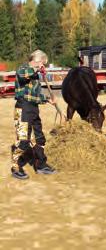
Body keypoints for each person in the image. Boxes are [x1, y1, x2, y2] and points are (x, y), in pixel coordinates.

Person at [11, 49, 56, 179]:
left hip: (33, 109)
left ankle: (41, 165)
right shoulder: (24, 69)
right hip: (23, 109)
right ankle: (15, 168)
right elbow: (23, 75)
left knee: (39, 138)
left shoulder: (35, 75)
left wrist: (47, 100)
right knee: (23, 141)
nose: (44, 66)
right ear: (37, 60)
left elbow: (35, 95)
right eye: (43, 63)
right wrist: (37, 69)